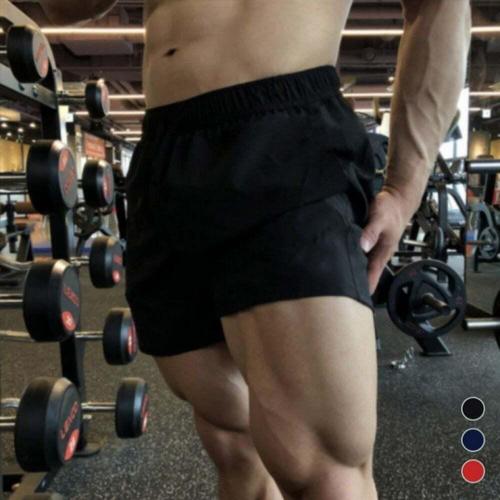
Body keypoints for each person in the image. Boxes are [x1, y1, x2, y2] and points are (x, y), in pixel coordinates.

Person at [41, 1, 471, 499]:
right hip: (163, 155)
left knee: (324, 469)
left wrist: (404, 189)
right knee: (233, 439)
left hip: (284, 131)